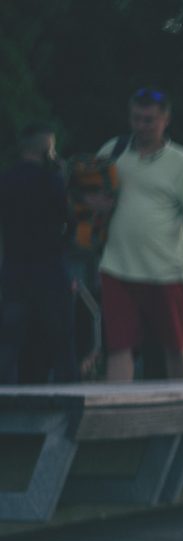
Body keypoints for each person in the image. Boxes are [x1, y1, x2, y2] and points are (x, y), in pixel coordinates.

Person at [97, 87, 183, 382]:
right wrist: (96, 204)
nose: (142, 126)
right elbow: (87, 201)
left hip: (166, 271)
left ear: (165, 120)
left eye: (149, 120)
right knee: (119, 347)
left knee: (175, 344)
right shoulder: (113, 151)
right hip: (117, 266)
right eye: (136, 119)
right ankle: (118, 419)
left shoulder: (181, 161)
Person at [0, 123, 75, 384]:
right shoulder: (52, 181)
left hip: (13, 269)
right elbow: (69, 222)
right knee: (60, 340)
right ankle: (67, 398)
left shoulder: (6, 180)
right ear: (47, 149)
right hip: (49, 268)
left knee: (9, 343)